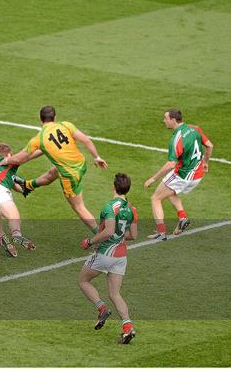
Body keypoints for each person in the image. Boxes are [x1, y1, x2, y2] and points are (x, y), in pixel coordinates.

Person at [1, 106, 108, 233]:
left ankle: (101, 236)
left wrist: (7, 160)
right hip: (81, 164)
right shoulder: (66, 125)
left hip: (69, 175)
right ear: (55, 117)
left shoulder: (39, 138)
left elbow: (19, 159)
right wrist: (97, 157)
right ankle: (27, 186)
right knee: (54, 171)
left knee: (79, 207)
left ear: (40, 119)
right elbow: (86, 140)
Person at [78, 173, 138, 345]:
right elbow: (133, 235)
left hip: (105, 254)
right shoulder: (132, 209)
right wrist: (118, 238)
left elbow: (109, 231)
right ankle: (127, 327)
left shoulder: (110, 207)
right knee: (115, 293)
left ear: (114, 187)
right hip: (121, 256)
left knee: (83, 280)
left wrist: (89, 241)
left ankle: (102, 308)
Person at [144, 109, 214, 240]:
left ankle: (161, 233)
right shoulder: (195, 129)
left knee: (155, 198)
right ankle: (182, 218)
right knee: (170, 191)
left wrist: (153, 178)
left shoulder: (176, 139)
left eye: (166, 118)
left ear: (173, 120)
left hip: (183, 175)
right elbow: (210, 146)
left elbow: (171, 164)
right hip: (197, 175)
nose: (164, 121)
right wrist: (205, 162)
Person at [0, 143, 35, 257]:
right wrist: (45, 149)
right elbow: (27, 156)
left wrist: (22, 189)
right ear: (9, 154)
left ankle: (8, 246)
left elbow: (14, 183)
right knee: (14, 217)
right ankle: (17, 235)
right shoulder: (9, 160)